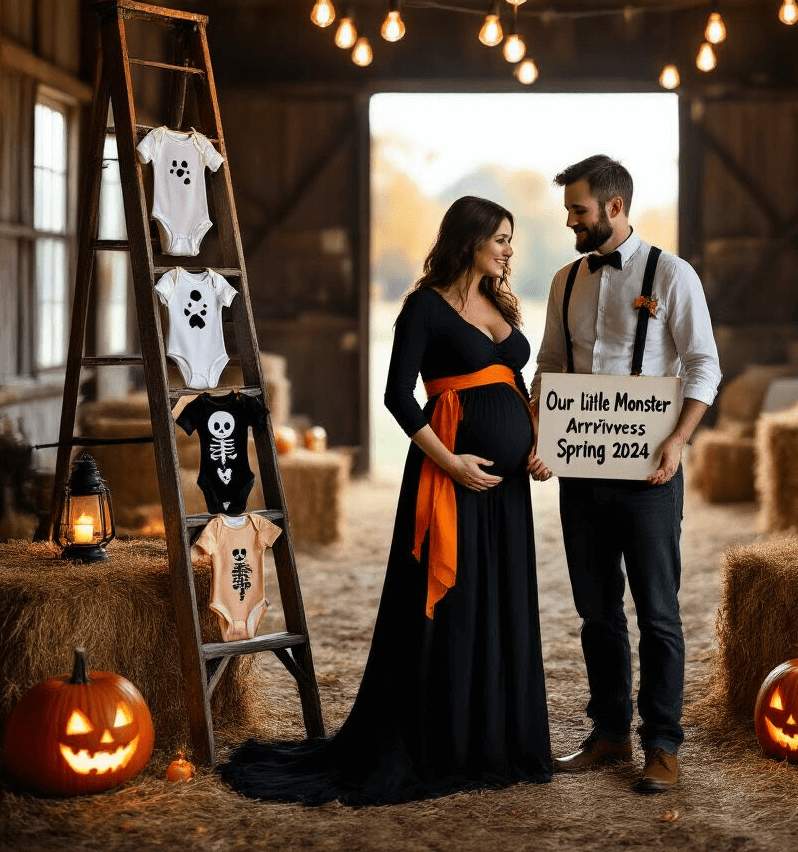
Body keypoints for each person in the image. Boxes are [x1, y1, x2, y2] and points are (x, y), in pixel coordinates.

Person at [219, 196, 552, 806]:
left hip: (507, 495)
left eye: (511, 239)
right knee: (451, 608)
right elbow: (400, 397)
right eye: (500, 238)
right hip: (450, 479)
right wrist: (449, 461)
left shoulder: (500, 302)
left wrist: (536, 442)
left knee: (498, 601)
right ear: (469, 239)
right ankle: (444, 741)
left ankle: (495, 741)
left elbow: (517, 384)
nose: (508, 249)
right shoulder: (423, 308)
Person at [528, 155, 721, 794]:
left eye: (577, 211)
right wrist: (540, 434)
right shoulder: (564, 281)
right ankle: (609, 732)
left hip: (650, 476)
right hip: (581, 473)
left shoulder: (673, 274)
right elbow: (551, 367)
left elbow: (703, 366)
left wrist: (678, 442)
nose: (570, 223)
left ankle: (662, 742)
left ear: (614, 207)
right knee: (596, 612)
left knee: (659, 613)